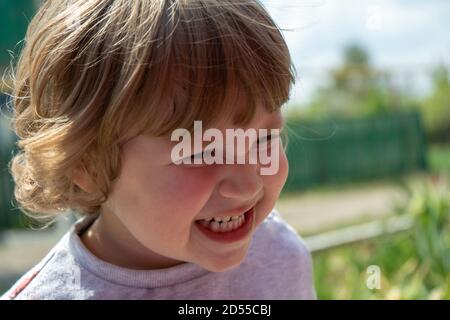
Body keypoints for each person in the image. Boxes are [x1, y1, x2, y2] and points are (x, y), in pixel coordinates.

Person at [1, 0, 316, 299]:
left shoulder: (280, 255)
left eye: (264, 140)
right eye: (202, 153)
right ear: (87, 165)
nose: (249, 186)